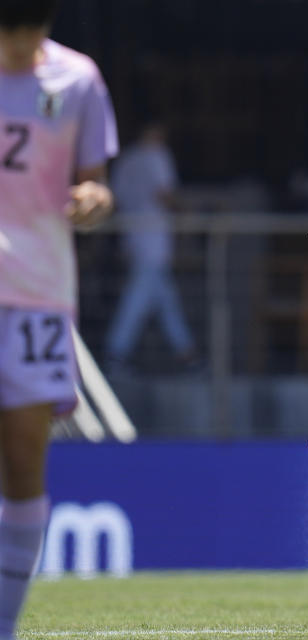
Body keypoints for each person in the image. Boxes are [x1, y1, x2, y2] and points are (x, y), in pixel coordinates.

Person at [0, 1, 117, 638]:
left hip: (38, 294)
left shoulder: (77, 79)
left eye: (31, 34)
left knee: (22, 466)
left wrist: (93, 199)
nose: (20, 49)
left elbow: (95, 181)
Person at [105, 120, 196, 372]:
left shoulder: (126, 160)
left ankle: (186, 353)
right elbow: (164, 195)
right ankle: (116, 352)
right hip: (153, 237)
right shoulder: (156, 155)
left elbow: (116, 198)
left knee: (164, 297)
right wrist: (186, 214)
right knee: (139, 296)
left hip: (130, 235)